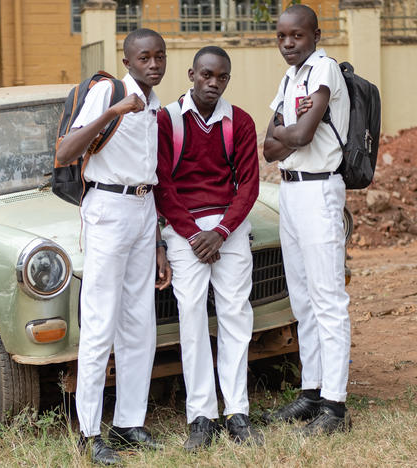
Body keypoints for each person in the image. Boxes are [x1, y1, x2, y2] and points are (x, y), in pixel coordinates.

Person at [54, 28, 171, 465]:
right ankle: (88, 433)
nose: (154, 64)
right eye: (145, 57)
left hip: (143, 208)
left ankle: (127, 423)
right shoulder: (108, 91)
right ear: (128, 60)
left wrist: (158, 239)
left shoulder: (156, 103)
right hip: (107, 208)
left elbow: (149, 171)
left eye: (159, 56)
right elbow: (66, 151)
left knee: (140, 322)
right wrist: (115, 109)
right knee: (101, 321)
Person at [154, 46, 261, 451]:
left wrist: (221, 230)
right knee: (192, 317)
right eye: (206, 75)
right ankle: (201, 414)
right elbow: (161, 182)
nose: (213, 83)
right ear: (192, 74)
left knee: (236, 313)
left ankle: (237, 411)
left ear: (227, 80)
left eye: (221, 78)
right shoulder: (168, 120)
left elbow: (248, 184)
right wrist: (191, 233)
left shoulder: (241, 122)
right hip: (184, 231)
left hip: (227, 227)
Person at [262, 4, 352, 435]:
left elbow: (298, 135)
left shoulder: (324, 70)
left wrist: (286, 133)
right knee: (301, 298)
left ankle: (335, 406)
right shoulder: (289, 78)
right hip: (290, 192)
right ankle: (312, 391)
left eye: (296, 36)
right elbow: (268, 148)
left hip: (319, 190)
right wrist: (285, 135)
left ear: (316, 35)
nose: (287, 44)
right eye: (281, 37)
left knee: (328, 297)